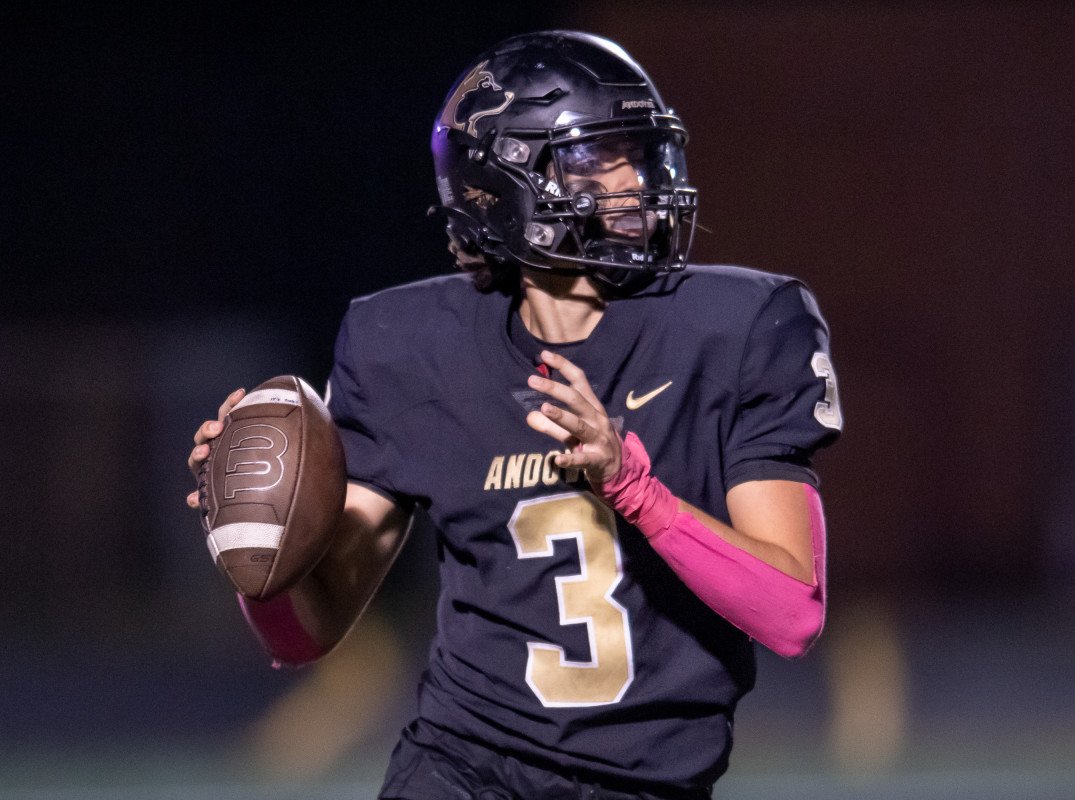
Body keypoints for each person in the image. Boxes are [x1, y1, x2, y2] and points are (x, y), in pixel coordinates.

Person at [187, 30, 842, 799]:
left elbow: (790, 612)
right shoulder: (412, 349)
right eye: (599, 159)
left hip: (646, 780)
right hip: (463, 765)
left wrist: (637, 491)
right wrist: (258, 547)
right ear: (507, 186)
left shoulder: (733, 328)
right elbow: (309, 632)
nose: (635, 180)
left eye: (639, 150)